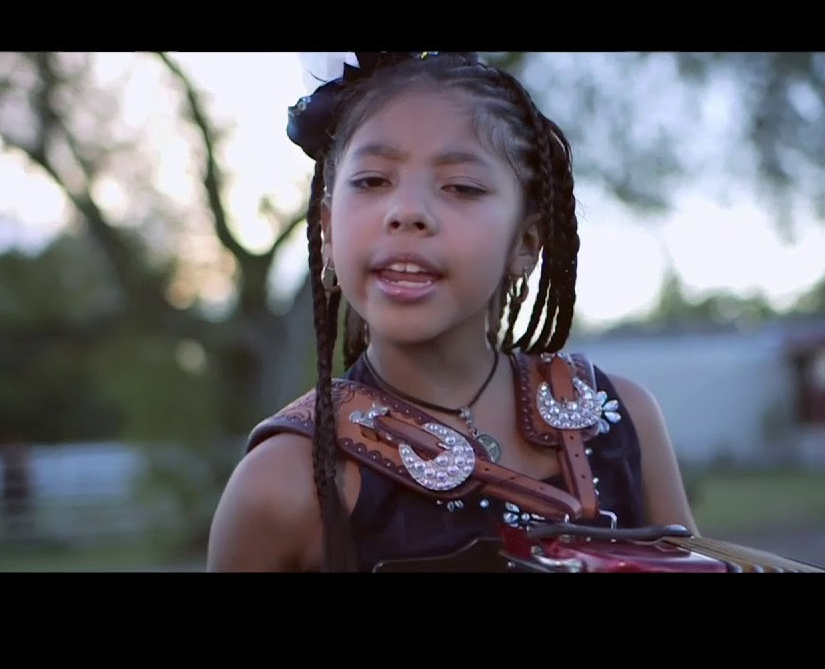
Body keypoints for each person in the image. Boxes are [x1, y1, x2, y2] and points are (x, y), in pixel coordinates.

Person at [206, 52, 698, 572]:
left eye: (461, 186)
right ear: (327, 230)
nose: (407, 212)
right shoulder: (282, 482)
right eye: (372, 181)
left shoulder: (622, 419)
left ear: (526, 242)